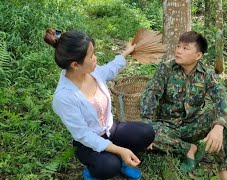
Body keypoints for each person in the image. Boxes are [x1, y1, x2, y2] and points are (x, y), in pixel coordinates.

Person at [44, 28, 155, 180]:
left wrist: (126, 53)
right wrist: (120, 150)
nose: (95, 58)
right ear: (75, 65)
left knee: (147, 132)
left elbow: (110, 69)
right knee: (109, 165)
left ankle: (121, 160)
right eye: (91, 56)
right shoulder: (64, 97)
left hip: (111, 129)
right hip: (88, 142)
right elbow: (83, 135)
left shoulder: (92, 73)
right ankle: (93, 172)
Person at [141, 31, 227, 180]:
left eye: (185, 48)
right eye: (178, 46)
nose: (178, 51)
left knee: (221, 121)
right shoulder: (166, 69)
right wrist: (145, 125)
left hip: (192, 125)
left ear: (198, 55)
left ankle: (223, 171)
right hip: (166, 127)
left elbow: (222, 99)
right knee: (145, 132)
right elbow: (150, 96)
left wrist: (218, 126)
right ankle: (189, 148)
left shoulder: (206, 75)